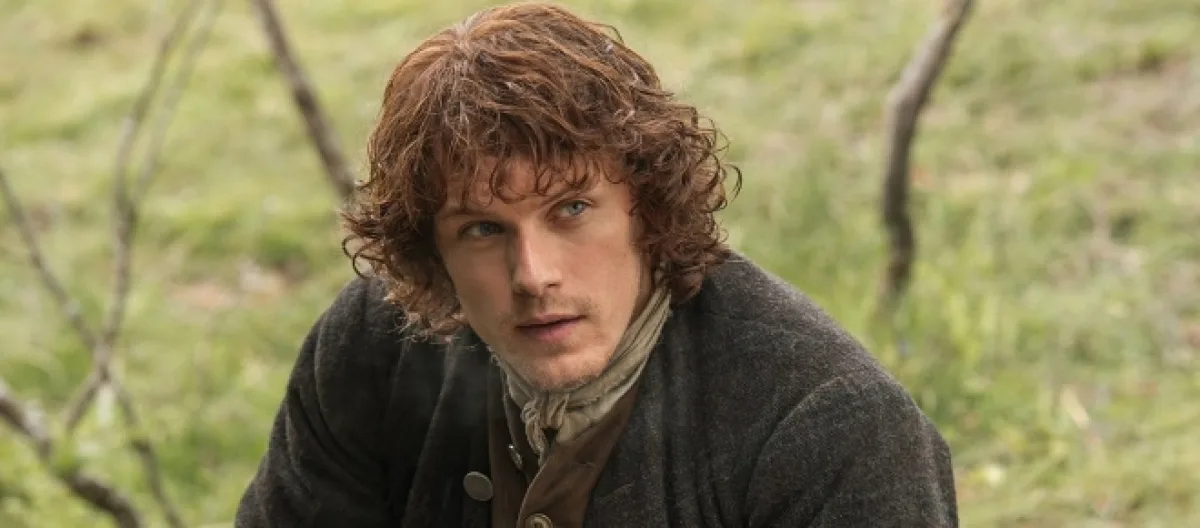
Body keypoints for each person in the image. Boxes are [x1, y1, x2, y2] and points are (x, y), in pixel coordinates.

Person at [234, 2, 958, 527]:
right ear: (434, 253)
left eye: (572, 209)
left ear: (646, 206)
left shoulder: (831, 427)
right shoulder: (374, 349)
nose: (533, 275)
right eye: (483, 229)